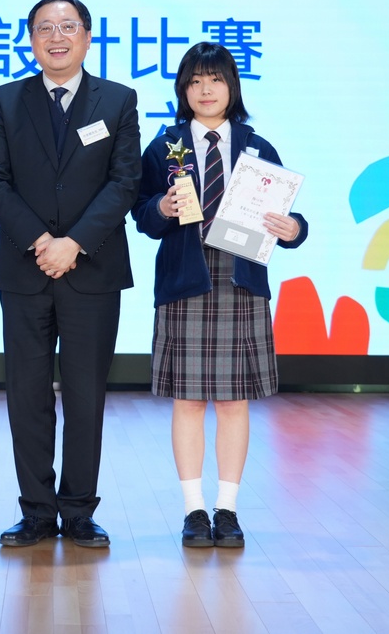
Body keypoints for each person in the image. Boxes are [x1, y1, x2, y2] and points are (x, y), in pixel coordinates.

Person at [0, 0, 141, 548]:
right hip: (25, 269)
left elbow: (125, 182)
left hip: (92, 269)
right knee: (26, 394)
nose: (56, 36)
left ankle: (79, 512)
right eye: (44, 27)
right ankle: (36, 513)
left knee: (86, 394)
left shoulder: (118, 100)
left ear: (87, 38)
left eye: (68, 26)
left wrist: (74, 243)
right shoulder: (6, 100)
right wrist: (42, 241)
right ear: (31, 40)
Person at [131, 41, 308, 548]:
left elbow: (287, 219)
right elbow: (141, 215)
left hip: (240, 279)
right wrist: (161, 208)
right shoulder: (164, 146)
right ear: (182, 90)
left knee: (234, 402)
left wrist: (295, 228)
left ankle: (226, 509)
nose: (205, 90)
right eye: (195, 81)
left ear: (232, 87)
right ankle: (193, 510)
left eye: (215, 80)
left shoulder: (257, 148)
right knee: (187, 400)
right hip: (185, 279)